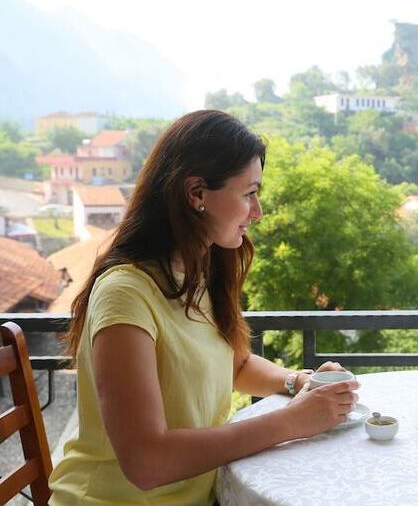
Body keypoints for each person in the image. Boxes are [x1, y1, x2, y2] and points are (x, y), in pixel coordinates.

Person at [49, 110, 359, 505]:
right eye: (248, 194)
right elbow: (146, 462)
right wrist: (292, 421)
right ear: (196, 194)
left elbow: (235, 365)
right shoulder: (125, 294)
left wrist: (299, 383)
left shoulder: (196, 272)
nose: (257, 211)